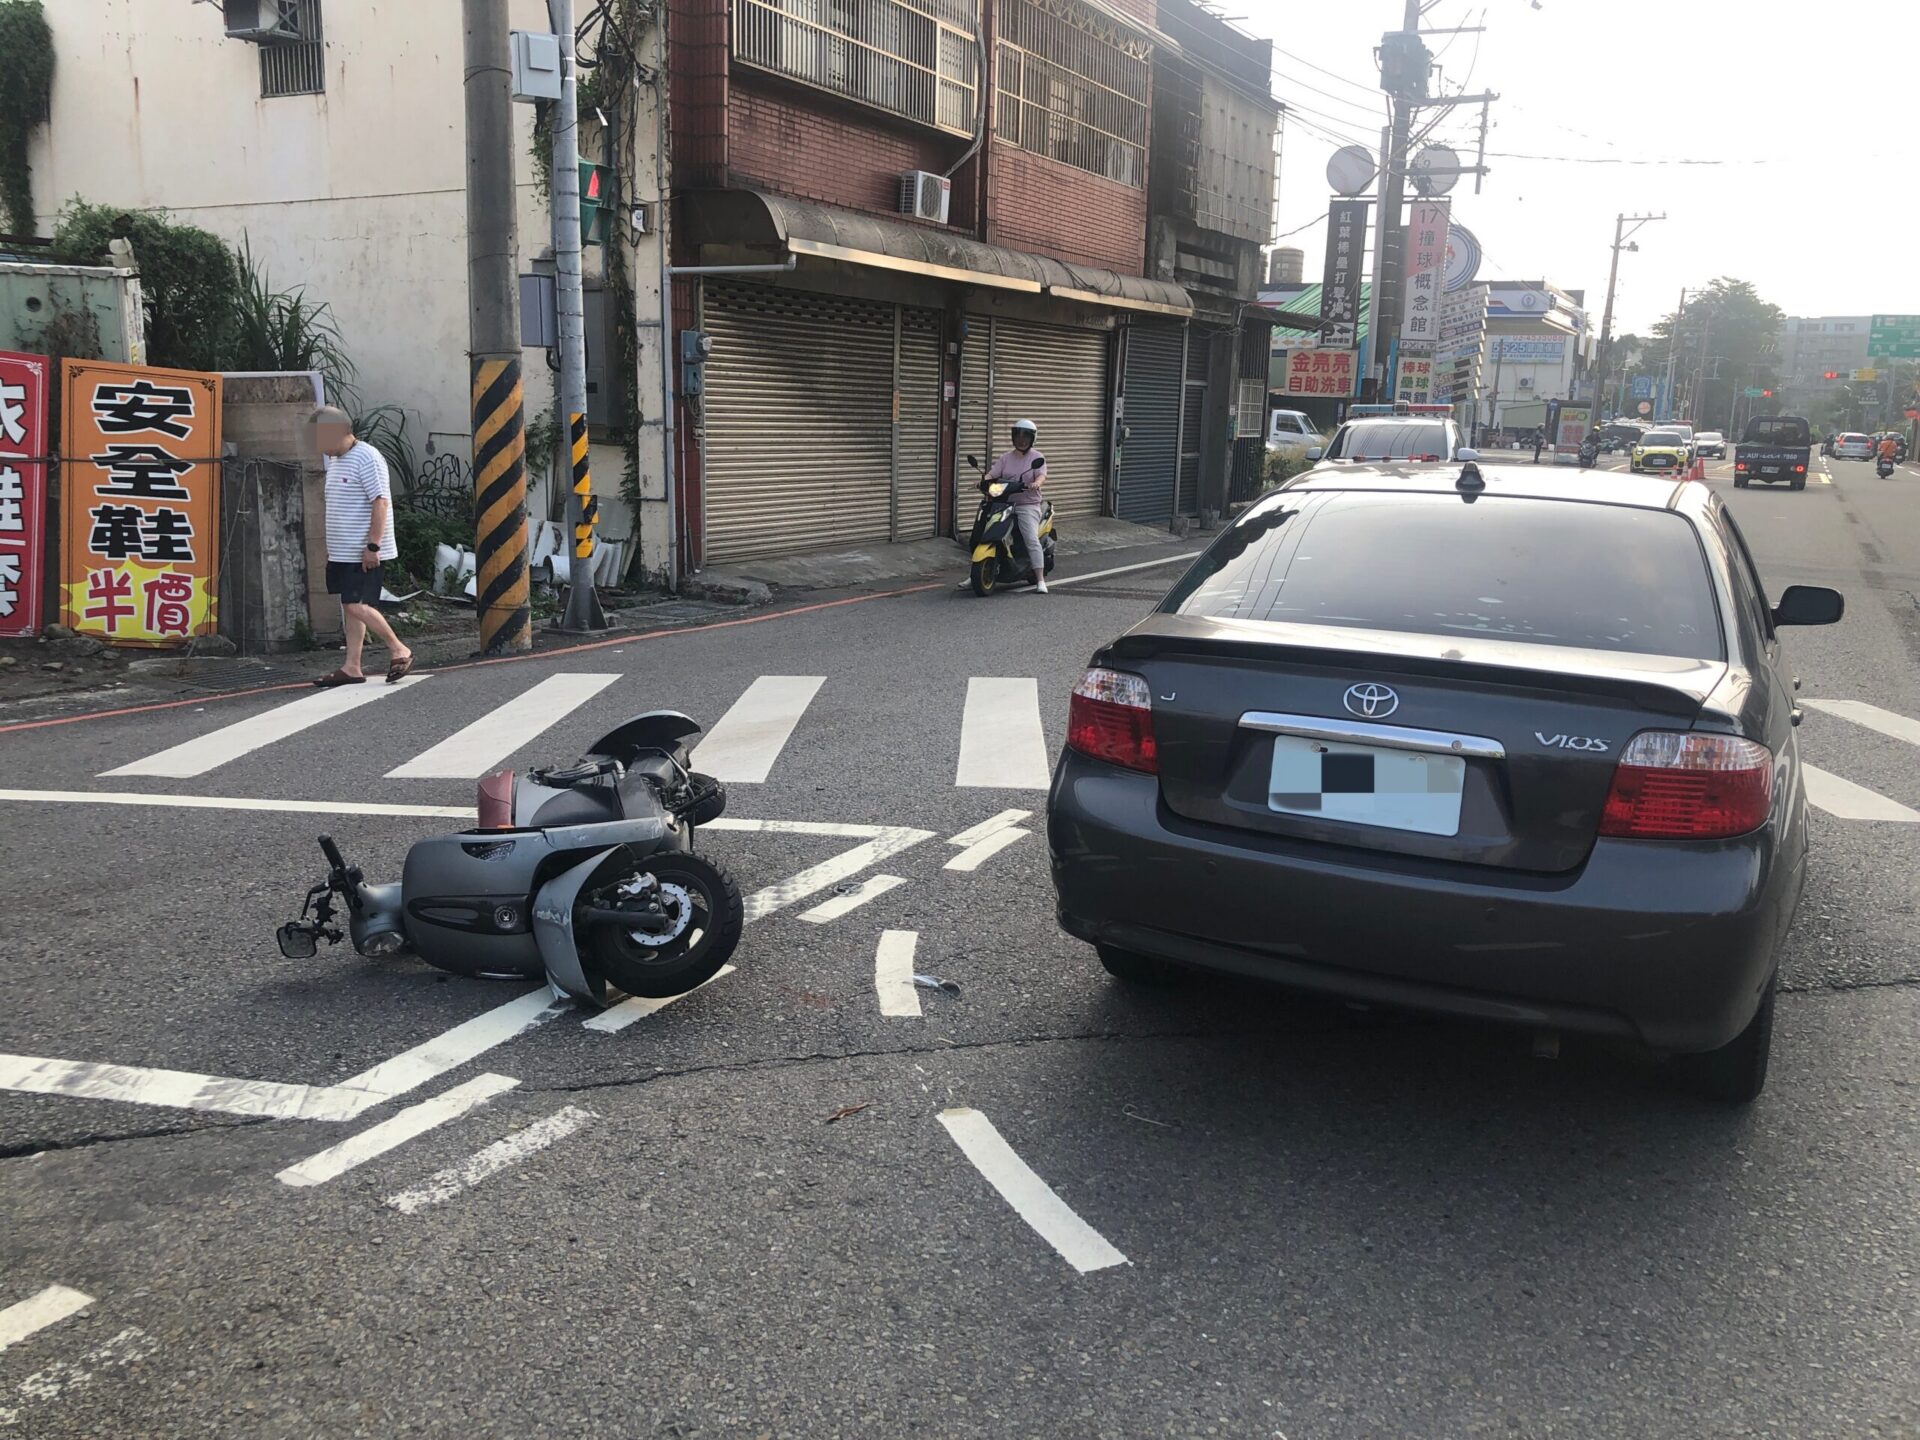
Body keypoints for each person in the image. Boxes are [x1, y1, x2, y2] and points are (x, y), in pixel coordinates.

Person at [310, 405, 413, 685]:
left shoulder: (367, 457)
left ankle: (399, 649)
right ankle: (352, 667)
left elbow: (379, 501)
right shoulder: (337, 460)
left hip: (362, 549)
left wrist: (373, 546)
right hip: (342, 550)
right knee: (349, 606)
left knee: (356, 605)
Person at [983, 419, 1049, 594]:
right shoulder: (1006, 457)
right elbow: (993, 473)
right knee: (984, 532)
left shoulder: (1037, 457)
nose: (1021, 440)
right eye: (1018, 436)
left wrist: (1036, 483)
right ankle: (977, 572)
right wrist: (985, 480)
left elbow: (1042, 475)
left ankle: (1040, 579)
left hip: (1027, 504)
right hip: (1003, 503)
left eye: (1025, 437)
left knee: (1031, 539)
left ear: (1032, 439)